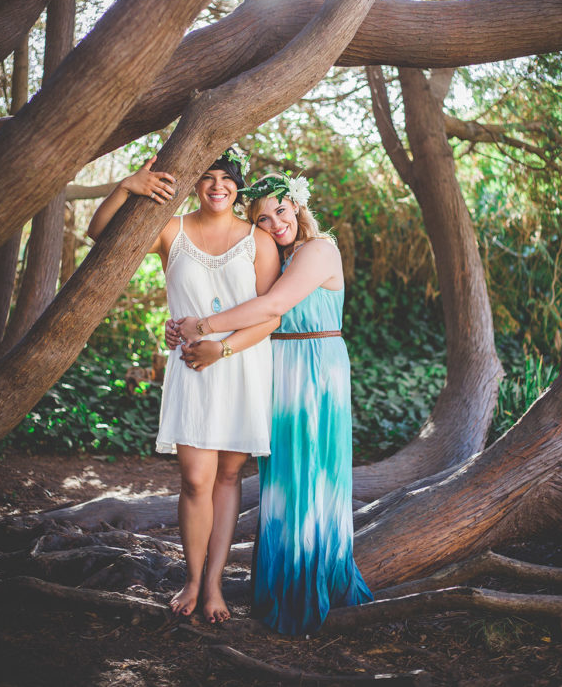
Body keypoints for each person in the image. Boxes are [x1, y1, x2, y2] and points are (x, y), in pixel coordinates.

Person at [172, 172, 372, 635]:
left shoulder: (319, 249)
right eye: (262, 217)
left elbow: (271, 306)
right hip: (277, 369)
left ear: (298, 206)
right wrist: (181, 323)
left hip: (315, 370)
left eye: (280, 210)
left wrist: (201, 327)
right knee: (280, 481)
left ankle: (310, 585)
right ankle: (278, 584)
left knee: (310, 477)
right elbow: (233, 293)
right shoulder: (276, 255)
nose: (274, 222)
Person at [88, 149, 280, 624]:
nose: (218, 186)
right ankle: (191, 579)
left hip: (241, 364)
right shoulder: (170, 229)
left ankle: (214, 583)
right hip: (191, 368)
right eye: (208, 177)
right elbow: (100, 236)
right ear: (195, 183)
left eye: (227, 179)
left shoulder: (259, 239)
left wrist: (224, 348)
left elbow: (270, 315)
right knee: (195, 479)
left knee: (229, 478)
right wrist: (127, 187)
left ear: (239, 186)